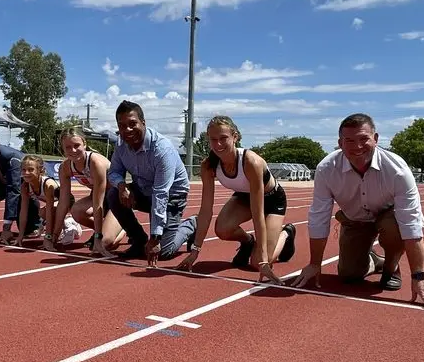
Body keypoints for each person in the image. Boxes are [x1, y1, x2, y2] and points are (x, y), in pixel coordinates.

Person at [294, 113, 424, 306]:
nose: (357, 147)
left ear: (376, 139)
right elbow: (319, 216)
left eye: (364, 139)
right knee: (349, 275)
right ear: (340, 142)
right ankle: (374, 260)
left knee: (394, 226)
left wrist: (419, 275)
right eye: (350, 140)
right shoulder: (326, 169)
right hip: (355, 219)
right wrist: (314, 264)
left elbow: (411, 224)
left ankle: (391, 266)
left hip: (388, 217)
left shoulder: (397, 170)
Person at [179, 115, 297, 283]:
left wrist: (264, 260)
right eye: (213, 139)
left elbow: (257, 213)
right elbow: (205, 210)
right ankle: (248, 241)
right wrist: (195, 251)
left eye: (223, 138)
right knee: (222, 229)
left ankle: (286, 233)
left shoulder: (251, 162)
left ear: (235, 137)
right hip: (243, 197)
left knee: (257, 262)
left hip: (271, 200)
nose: (218, 144)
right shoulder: (208, 166)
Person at [103, 100, 198, 265]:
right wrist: (121, 185)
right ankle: (138, 240)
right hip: (144, 190)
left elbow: (161, 193)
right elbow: (114, 172)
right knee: (113, 194)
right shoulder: (120, 144)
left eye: (132, 124)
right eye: (122, 125)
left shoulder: (162, 149)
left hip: (171, 197)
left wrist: (155, 237)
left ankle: (191, 224)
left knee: (165, 251)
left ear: (143, 123)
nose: (127, 130)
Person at [54, 125, 111, 254]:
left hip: (115, 199)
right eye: (68, 147)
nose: (73, 150)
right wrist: (53, 236)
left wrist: (98, 237)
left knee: (106, 242)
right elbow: (63, 202)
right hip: (98, 196)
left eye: (76, 145)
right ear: (63, 148)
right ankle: (107, 227)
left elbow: (98, 203)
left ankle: (121, 227)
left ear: (84, 144)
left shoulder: (95, 162)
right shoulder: (65, 167)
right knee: (76, 211)